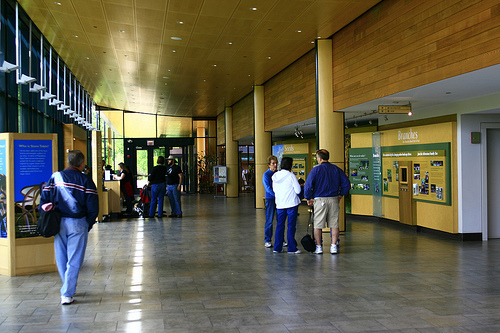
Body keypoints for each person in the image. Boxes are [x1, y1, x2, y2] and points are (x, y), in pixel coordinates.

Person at [40, 150, 99, 305]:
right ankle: (67, 292)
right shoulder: (85, 180)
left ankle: (68, 286)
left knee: (61, 257)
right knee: (75, 259)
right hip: (78, 223)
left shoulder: (55, 177)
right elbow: (93, 206)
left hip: (58, 222)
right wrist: (89, 223)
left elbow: (44, 199)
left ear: (68, 161)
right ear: (81, 164)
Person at [304, 149, 351, 254]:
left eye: (317, 158)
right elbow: (346, 184)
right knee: (334, 224)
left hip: (319, 200)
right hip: (333, 199)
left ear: (320, 159)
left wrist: (308, 198)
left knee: (318, 225)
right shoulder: (336, 169)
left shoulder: (315, 170)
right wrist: (341, 194)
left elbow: (308, 185)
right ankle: (333, 246)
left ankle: (319, 247)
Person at [271, 157, 301, 254]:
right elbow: (298, 190)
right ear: (290, 165)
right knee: (291, 226)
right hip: (291, 203)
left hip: (280, 204)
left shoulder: (275, 176)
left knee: (280, 225)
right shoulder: (291, 176)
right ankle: (291, 248)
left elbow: (274, 190)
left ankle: (277, 247)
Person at [262, 155, 278, 248]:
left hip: (278, 200)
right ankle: (267, 239)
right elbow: (268, 188)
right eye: (273, 163)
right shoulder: (266, 175)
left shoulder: (278, 173)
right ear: (269, 165)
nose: (275, 165)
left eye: (276, 163)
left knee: (280, 220)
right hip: (271, 199)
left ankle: (281, 239)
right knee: (269, 220)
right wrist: (277, 196)